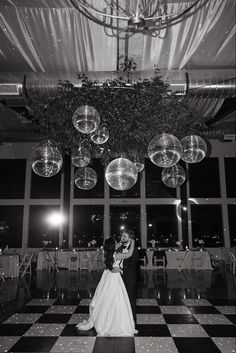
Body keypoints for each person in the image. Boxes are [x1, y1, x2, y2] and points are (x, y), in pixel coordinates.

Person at [76, 236, 137, 336]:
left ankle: (103, 318)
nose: (118, 243)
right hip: (114, 278)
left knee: (105, 297)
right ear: (113, 246)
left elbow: (117, 247)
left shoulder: (108, 253)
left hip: (107, 276)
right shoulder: (117, 255)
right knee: (115, 299)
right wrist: (133, 241)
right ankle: (112, 322)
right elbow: (129, 254)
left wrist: (123, 241)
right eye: (115, 243)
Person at [119, 229, 138, 325]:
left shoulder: (134, 249)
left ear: (130, 239)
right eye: (122, 236)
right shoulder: (119, 247)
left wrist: (121, 269)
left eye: (124, 236)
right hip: (118, 278)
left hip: (129, 278)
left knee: (130, 299)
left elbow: (132, 264)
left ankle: (132, 321)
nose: (122, 238)